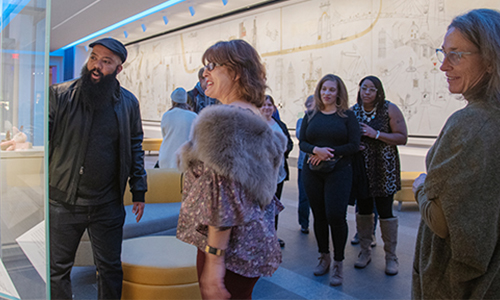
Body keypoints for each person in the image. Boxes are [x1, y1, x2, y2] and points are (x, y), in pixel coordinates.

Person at [176, 39, 286, 300]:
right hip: (250, 245)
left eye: (212, 66)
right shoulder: (255, 117)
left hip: (228, 251)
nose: (205, 73)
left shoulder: (223, 122)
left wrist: (214, 262)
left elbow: (222, 201)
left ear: (236, 72)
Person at [49, 37, 147, 299]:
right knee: (57, 269)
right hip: (64, 201)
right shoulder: (60, 95)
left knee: (110, 268)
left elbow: (135, 146)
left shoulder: (128, 103)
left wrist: (139, 190)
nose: (97, 65)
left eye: (106, 62)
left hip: (108, 203)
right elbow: (43, 141)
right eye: (94, 57)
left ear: (118, 69)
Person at [412, 9, 500, 298]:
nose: (443, 66)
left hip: (454, 284)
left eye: (456, 55)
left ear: (489, 59)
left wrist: (421, 185)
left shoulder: (471, 123)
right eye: (443, 53)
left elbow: (440, 220)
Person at [299, 74, 360, 286]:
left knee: (336, 215)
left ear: (338, 93)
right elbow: (303, 142)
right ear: (319, 91)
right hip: (313, 172)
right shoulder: (311, 114)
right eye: (324, 89)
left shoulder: (347, 117)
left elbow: (354, 144)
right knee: (319, 216)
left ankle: (338, 263)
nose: (327, 93)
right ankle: (324, 257)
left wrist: (328, 152)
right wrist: (316, 150)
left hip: (340, 171)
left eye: (332, 90)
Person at [351, 75, 408, 275]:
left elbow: (402, 137)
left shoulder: (389, 109)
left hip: (385, 168)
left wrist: (375, 134)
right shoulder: (354, 111)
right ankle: (365, 251)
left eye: (371, 89)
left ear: (379, 92)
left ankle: (391, 257)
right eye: (363, 88)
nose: (366, 92)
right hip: (362, 170)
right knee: (364, 210)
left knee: (385, 212)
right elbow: (348, 137)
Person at [260, 94, 293, 247]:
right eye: (263, 105)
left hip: (278, 174)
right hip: (261, 176)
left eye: (269, 105)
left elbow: (290, 144)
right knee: (261, 207)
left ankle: (273, 236)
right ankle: (260, 237)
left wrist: (283, 149)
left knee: (275, 206)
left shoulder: (280, 124)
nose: (267, 108)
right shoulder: (255, 124)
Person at [158, 87, 197, 169]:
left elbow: (164, 134)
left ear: (173, 101)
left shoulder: (166, 115)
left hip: (166, 158)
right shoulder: (194, 116)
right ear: (185, 101)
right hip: (185, 160)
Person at [295, 95, 314, 234]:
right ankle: (304, 223)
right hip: (304, 164)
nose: (310, 108)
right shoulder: (301, 121)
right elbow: (301, 137)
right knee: (303, 196)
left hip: (320, 164)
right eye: (308, 105)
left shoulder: (324, 120)